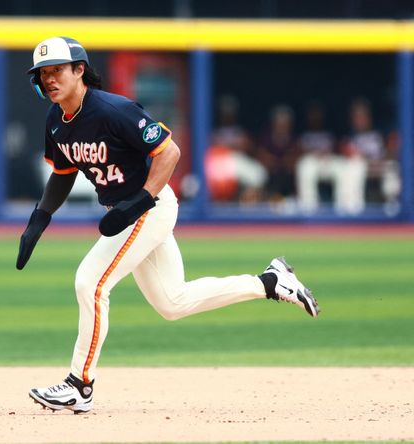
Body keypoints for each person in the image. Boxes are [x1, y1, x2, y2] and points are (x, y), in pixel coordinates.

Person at [16, 36, 320, 415]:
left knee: (90, 283)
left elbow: (168, 152)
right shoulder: (56, 121)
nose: (49, 78)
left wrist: (140, 201)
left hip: (150, 206)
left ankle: (80, 385)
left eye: (57, 70)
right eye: (43, 73)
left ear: (80, 70)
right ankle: (270, 283)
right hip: (132, 209)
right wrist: (40, 218)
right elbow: (63, 173)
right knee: (173, 302)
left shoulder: (113, 110)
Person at [295, 101, 345, 213]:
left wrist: (327, 154)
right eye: (313, 115)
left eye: (318, 115)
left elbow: (338, 150)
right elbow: (298, 153)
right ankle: (309, 208)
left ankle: (344, 208)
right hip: (312, 163)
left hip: (329, 163)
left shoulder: (330, 133)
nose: (315, 118)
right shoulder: (304, 134)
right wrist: (314, 154)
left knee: (343, 166)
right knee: (305, 165)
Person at [256, 104, 299, 207]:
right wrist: (272, 161)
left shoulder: (294, 139)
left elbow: (296, 157)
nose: (282, 126)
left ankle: (293, 198)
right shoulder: (266, 137)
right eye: (279, 123)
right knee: (259, 173)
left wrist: (286, 161)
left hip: (288, 177)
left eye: (285, 123)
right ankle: (263, 199)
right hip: (269, 176)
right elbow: (260, 155)